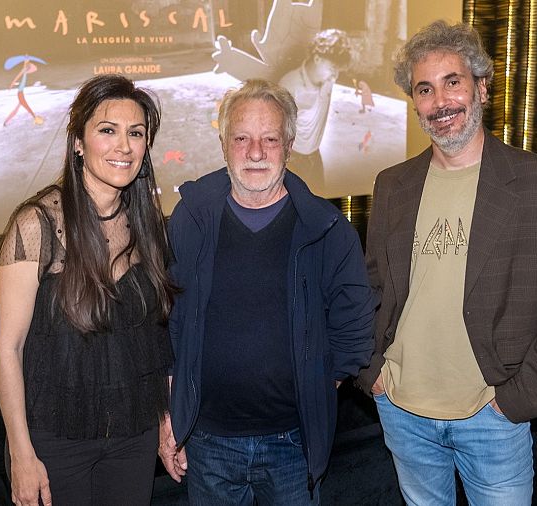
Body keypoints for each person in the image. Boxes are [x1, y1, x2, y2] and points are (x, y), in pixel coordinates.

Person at [357, 21, 537, 505]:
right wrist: (372, 373)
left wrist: (517, 401)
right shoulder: (392, 185)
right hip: (402, 408)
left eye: (452, 82)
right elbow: (372, 288)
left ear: (482, 87)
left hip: (493, 413)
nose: (440, 101)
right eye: (425, 89)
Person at [159, 79, 375, 505]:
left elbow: (353, 325)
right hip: (207, 443)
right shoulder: (190, 219)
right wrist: (171, 417)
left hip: (293, 445)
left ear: (289, 145)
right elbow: (167, 322)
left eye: (269, 139)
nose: (255, 153)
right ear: (223, 144)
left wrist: (318, 387)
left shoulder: (327, 228)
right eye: (241, 138)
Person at [0, 74, 176, 506]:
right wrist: (21, 452)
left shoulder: (148, 224)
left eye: (136, 134)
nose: (124, 146)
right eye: (107, 131)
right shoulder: (35, 226)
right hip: (55, 437)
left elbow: (154, 338)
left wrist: (166, 419)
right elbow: (7, 348)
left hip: (133, 433)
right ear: (78, 141)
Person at [278, 29, 352, 189]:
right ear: (317, 58)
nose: (334, 77)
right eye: (333, 69)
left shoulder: (327, 80)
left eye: (338, 71)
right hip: (293, 160)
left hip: (314, 156)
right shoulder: (290, 86)